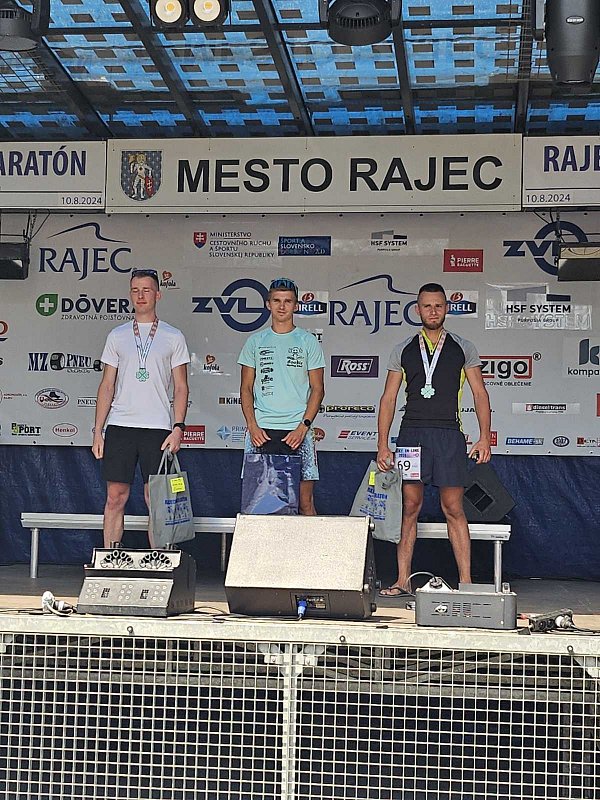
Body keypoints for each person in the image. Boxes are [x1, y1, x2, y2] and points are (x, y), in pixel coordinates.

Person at [376, 282, 491, 595]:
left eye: (438, 306)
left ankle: (466, 583)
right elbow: (388, 398)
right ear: (417, 310)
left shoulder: (463, 347)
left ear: (446, 309)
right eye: (427, 306)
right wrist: (383, 444)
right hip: (412, 434)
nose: (433, 311)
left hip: (449, 435)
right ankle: (402, 580)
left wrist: (484, 437)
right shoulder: (403, 349)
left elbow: (480, 393)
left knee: (453, 507)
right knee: (410, 506)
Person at [92, 268, 190, 547]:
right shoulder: (117, 335)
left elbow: (181, 387)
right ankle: (110, 558)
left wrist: (178, 428)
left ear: (158, 295)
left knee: (155, 499)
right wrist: (98, 431)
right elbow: (107, 385)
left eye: (146, 290)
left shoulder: (173, 336)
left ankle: (158, 559)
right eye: (135, 290)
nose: (141, 295)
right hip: (121, 426)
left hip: (157, 428)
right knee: (115, 496)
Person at [238, 277, 325, 515]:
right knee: (258, 505)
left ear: (296, 305)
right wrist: (252, 426)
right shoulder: (255, 341)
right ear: (268, 304)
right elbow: (246, 388)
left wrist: (303, 427)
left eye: (288, 301)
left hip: (297, 432)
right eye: (277, 300)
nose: (282, 306)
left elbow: (318, 389)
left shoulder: (308, 341)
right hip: (261, 432)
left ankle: (311, 544)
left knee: (305, 503)